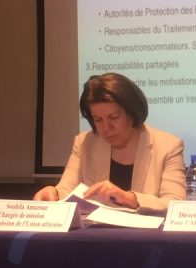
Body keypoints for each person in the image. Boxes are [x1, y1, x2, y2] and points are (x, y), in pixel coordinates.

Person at [34, 73, 186, 212]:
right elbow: (66, 189)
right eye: (98, 120)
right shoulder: (84, 143)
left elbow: (175, 204)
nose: (106, 128)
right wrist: (53, 193)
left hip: (145, 233)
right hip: (96, 231)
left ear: (132, 113)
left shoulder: (168, 146)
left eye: (114, 117)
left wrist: (130, 198)